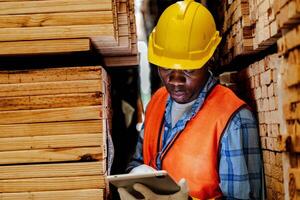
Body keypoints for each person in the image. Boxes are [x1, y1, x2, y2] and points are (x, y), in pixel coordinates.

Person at [118, 0, 263, 199]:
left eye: (189, 69)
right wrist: (134, 179)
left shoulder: (234, 121)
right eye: (167, 67)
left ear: (209, 59)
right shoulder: (157, 102)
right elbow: (138, 160)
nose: (175, 80)